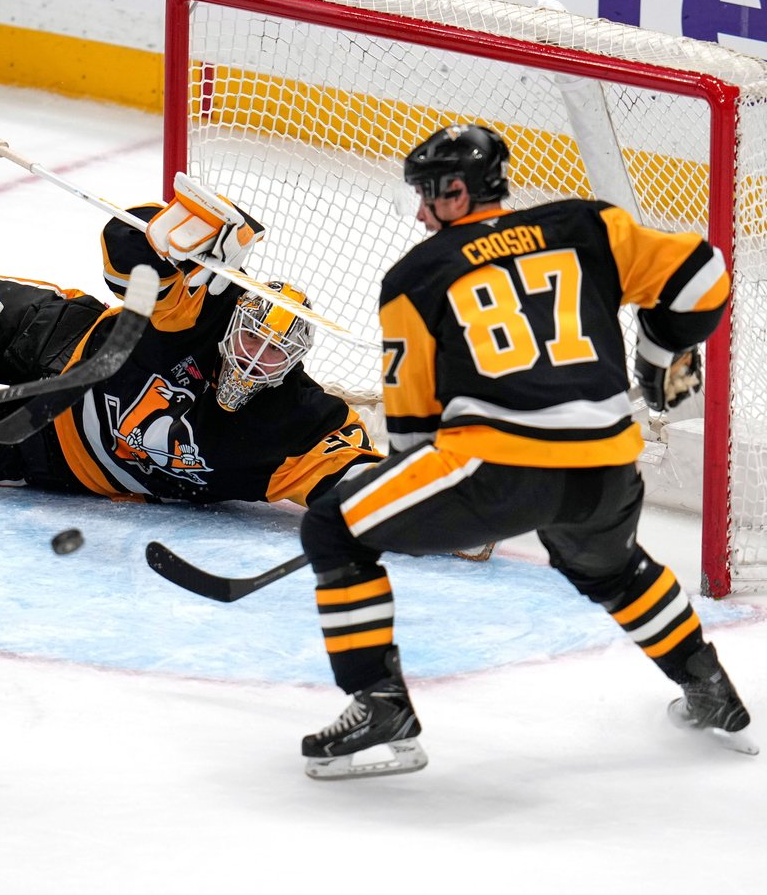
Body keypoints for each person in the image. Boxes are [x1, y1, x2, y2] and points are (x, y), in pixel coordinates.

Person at [295, 123, 752, 780]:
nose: (421, 212)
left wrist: (427, 511)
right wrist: (658, 351)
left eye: (426, 195)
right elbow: (704, 275)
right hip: (606, 467)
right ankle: (712, 693)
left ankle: (380, 707)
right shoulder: (589, 227)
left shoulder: (416, 277)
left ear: (456, 192)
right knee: (613, 570)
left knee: (333, 526)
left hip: (497, 470)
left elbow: (413, 439)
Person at [0, 175, 383, 509]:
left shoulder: (294, 423)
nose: (253, 359)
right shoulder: (205, 308)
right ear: (236, 324)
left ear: (293, 362)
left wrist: (440, 504)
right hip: (57, 339)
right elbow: (125, 242)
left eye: (273, 353)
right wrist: (187, 235)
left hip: (57, 448)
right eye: (250, 339)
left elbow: (366, 486)